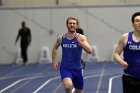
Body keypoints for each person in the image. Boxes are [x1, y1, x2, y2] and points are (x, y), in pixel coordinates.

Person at [52, 17, 92, 93]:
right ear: (67, 25)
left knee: (79, 91)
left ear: (77, 25)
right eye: (70, 23)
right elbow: (54, 48)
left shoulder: (81, 38)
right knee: (68, 86)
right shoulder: (61, 38)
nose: (72, 25)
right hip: (65, 68)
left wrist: (80, 42)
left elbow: (90, 50)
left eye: (74, 23)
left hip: (77, 69)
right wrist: (54, 61)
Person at [113, 12, 140, 93]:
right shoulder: (125, 37)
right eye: (137, 21)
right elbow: (116, 54)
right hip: (129, 78)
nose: (139, 23)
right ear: (133, 24)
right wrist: (121, 61)